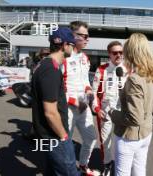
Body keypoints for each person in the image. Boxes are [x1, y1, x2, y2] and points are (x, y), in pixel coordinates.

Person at [108, 33, 153, 176]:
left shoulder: (134, 79)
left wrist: (112, 113)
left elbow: (134, 118)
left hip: (128, 136)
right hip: (146, 133)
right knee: (139, 171)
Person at [31, 27, 80, 176]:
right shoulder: (50, 69)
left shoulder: (44, 65)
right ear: (65, 45)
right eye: (72, 44)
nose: (73, 47)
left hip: (48, 136)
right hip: (54, 136)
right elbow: (50, 112)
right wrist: (64, 136)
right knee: (69, 172)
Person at [62, 21, 98, 176]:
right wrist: (73, 101)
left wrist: (89, 90)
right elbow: (56, 90)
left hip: (83, 105)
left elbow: (85, 81)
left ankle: (83, 165)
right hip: (67, 108)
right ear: (73, 36)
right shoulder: (62, 56)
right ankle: (66, 172)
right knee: (66, 144)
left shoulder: (85, 57)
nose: (87, 39)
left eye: (88, 36)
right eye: (84, 36)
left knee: (91, 138)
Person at [92, 41, 127, 176]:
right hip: (105, 111)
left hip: (123, 112)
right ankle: (107, 164)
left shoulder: (129, 69)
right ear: (109, 54)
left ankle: (121, 165)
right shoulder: (101, 69)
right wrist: (96, 108)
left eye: (120, 52)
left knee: (123, 141)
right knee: (105, 140)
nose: (118, 55)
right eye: (115, 53)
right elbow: (94, 92)